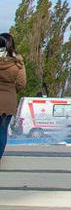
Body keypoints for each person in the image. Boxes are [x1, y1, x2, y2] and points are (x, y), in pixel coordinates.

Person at [0, 33, 27, 165]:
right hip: (9, 100)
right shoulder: (18, 62)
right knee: (3, 130)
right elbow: (22, 82)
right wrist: (11, 90)